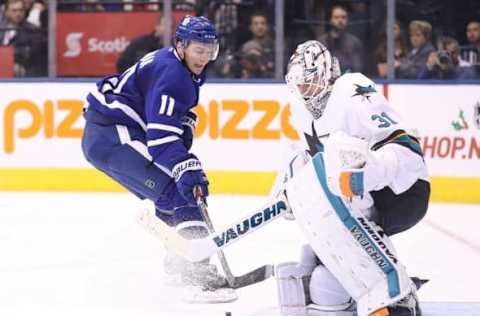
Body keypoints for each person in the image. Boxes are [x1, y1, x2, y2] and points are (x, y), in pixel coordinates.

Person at [272, 40, 429, 315]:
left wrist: (370, 173)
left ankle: (396, 296)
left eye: (308, 82)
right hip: (359, 197)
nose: (303, 90)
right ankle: (354, 296)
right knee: (327, 252)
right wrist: (286, 190)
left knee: (342, 154)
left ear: (325, 72)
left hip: (401, 189)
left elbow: (404, 142)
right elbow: (304, 160)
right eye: (298, 84)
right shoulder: (300, 111)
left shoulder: (351, 88)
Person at [81, 15, 232, 298]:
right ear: (181, 45)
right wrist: (184, 165)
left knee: (168, 193)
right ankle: (194, 271)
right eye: (199, 50)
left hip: (110, 135)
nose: (205, 57)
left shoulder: (179, 66)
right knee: (181, 189)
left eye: (210, 50)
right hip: (113, 136)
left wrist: (181, 125)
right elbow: (160, 139)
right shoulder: (174, 74)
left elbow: (159, 115)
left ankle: (179, 264)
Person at [0, 0, 46, 76]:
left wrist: (8, 59)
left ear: (25, 12)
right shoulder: (2, 29)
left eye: (21, 10)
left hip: (23, 76)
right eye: (14, 11)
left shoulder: (32, 30)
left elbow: (31, 54)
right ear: (6, 12)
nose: (18, 14)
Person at [319, 4, 364, 73]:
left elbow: (357, 68)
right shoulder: (322, 42)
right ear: (331, 19)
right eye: (336, 17)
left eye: (343, 17)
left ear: (347, 20)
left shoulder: (354, 42)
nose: (340, 20)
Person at [238, 11, 274, 78]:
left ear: (267, 27)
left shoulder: (276, 47)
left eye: (263, 24)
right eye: (256, 24)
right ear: (251, 27)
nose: (260, 27)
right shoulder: (245, 47)